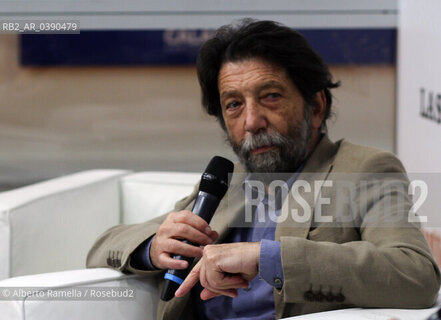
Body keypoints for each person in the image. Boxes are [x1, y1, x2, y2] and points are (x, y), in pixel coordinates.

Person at [86, 19, 440, 319]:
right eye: (234, 105)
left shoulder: (366, 169)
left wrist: (268, 257)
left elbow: (416, 274)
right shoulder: (229, 183)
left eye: (270, 96)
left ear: (315, 107)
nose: (252, 121)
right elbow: (101, 247)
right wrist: (152, 246)